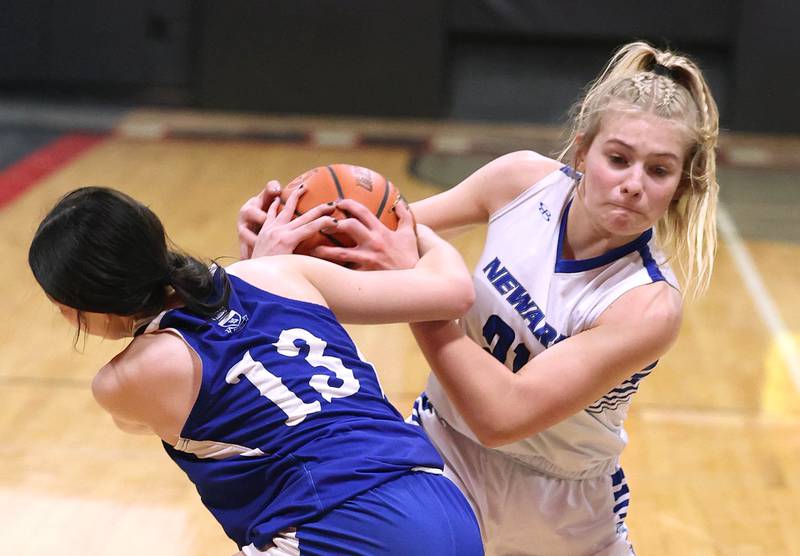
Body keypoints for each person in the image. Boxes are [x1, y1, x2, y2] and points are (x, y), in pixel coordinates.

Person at [237, 41, 720, 555]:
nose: (631, 184)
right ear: (583, 152)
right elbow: (381, 234)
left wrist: (418, 292)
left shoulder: (646, 305)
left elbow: (502, 416)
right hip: (440, 456)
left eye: (658, 170)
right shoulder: (521, 182)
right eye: (618, 159)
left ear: (680, 184)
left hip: (561, 512)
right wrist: (282, 242)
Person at [28, 186, 483, 556]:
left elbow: (149, 411)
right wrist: (399, 220)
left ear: (76, 308)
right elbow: (452, 293)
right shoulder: (281, 274)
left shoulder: (123, 381)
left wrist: (249, 264)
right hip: (443, 502)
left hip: (339, 525)